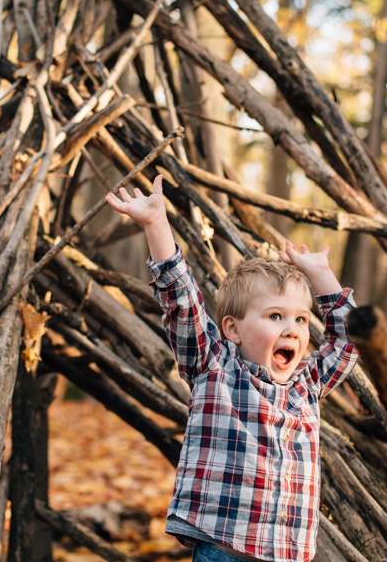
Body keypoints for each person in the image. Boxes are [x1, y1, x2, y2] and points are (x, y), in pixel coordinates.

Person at [106, 175, 360, 562]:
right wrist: (158, 225)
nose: (291, 329)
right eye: (275, 316)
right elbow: (184, 304)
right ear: (233, 329)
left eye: (301, 320)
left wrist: (322, 276)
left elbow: (350, 342)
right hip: (223, 545)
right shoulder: (214, 366)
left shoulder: (306, 383)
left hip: (287, 554)